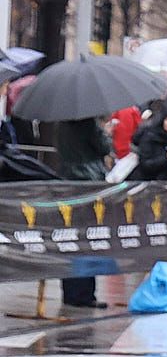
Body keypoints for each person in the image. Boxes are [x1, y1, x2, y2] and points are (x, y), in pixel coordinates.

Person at [53, 115, 112, 309]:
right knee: (88, 239)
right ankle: (84, 293)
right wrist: (105, 132)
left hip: (67, 181)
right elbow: (104, 147)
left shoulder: (61, 123)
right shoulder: (89, 123)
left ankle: (70, 292)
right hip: (89, 182)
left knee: (71, 238)